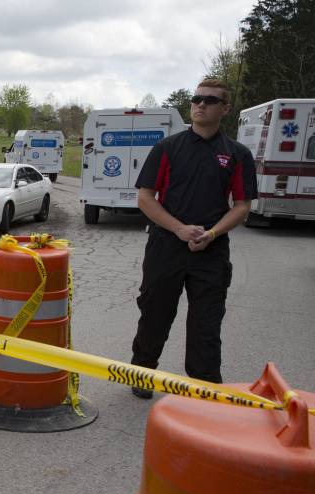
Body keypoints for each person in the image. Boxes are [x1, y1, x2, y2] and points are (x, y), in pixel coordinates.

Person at [129, 78, 256, 398]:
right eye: (196, 99)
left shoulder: (237, 155)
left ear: (225, 109)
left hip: (211, 251)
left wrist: (211, 233)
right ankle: (142, 373)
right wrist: (178, 229)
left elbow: (241, 207)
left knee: (206, 325)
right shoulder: (167, 149)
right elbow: (145, 198)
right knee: (155, 313)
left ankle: (204, 387)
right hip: (166, 247)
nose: (200, 104)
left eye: (210, 100)